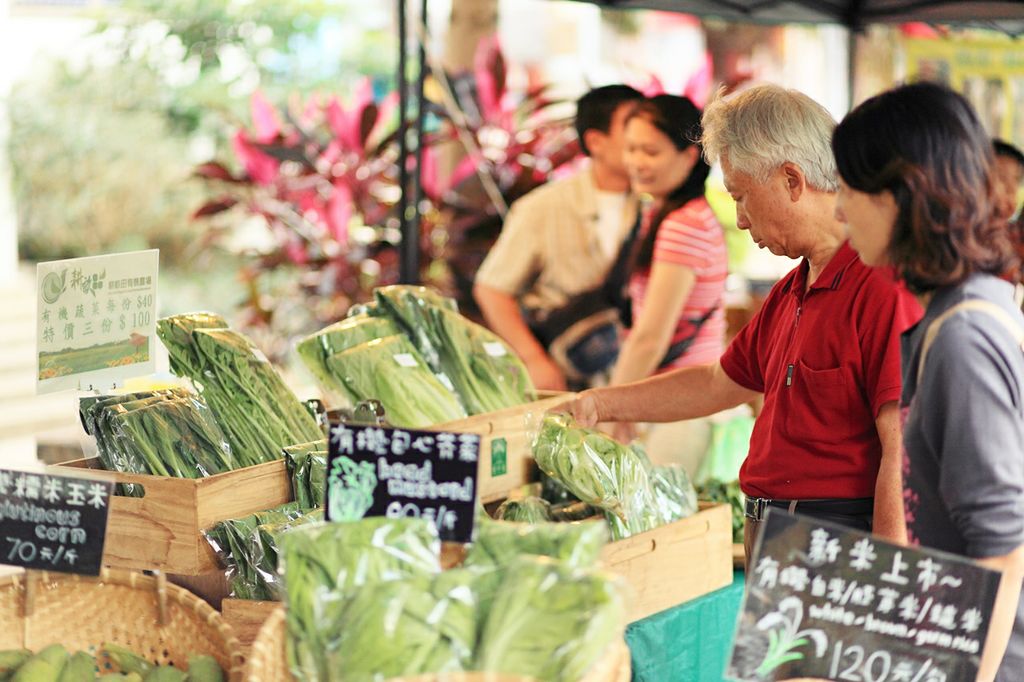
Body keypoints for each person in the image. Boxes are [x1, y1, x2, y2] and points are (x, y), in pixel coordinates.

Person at [566, 85, 920, 559]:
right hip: (775, 528)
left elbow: (899, 449)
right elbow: (718, 382)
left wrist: (889, 571)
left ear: (792, 180)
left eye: (743, 197)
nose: (741, 220)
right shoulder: (791, 289)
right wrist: (601, 404)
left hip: (832, 537)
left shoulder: (879, 286)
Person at [833, 81, 1024, 682]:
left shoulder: (963, 338)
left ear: (899, 196)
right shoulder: (966, 306)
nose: (839, 209)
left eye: (847, 188)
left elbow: (1002, 546)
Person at [473, 85, 644, 391]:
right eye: (631, 125)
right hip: (568, 373)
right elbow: (492, 288)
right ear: (595, 141)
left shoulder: (656, 206)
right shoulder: (543, 207)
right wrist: (534, 360)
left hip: (634, 376)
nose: (645, 135)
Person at [607, 95, 727, 447]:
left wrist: (611, 407)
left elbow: (650, 338)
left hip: (677, 411)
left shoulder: (683, 225)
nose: (637, 162)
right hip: (680, 402)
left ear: (689, 156)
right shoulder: (675, 214)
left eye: (651, 151)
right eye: (631, 149)